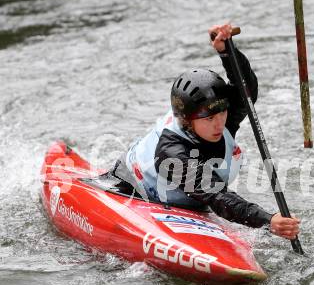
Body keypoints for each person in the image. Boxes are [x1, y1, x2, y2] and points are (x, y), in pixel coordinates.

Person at [109, 24, 300, 240]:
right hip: (132, 189)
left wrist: (227, 51)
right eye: (209, 119)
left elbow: (246, 91)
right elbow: (216, 195)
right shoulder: (172, 153)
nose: (219, 124)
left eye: (222, 114)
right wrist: (267, 220)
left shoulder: (221, 117)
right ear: (187, 120)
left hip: (193, 198)